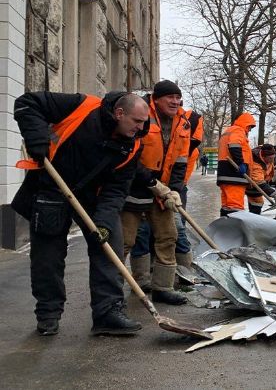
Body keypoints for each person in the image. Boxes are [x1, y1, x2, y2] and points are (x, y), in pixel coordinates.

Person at [12, 91, 148, 336]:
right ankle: (48, 314)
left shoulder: (133, 145)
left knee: (110, 245)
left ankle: (108, 313)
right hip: (52, 186)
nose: (140, 128)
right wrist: (36, 137)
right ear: (119, 113)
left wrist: (105, 222)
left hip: (93, 197)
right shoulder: (82, 107)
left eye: (143, 122)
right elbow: (27, 103)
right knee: (47, 255)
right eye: (136, 121)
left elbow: (116, 189)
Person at [120, 80, 190, 305]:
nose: (175, 101)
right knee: (126, 240)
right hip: (135, 187)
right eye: (170, 97)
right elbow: (129, 156)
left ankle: (163, 287)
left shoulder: (182, 123)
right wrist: (150, 182)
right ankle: (112, 292)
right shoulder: (141, 115)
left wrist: (174, 190)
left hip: (162, 192)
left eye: (178, 97)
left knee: (168, 236)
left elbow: (181, 161)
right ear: (156, 99)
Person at [128, 109, 204, 286]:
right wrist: (154, 184)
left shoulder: (186, 138)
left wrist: (175, 190)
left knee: (173, 232)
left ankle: (176, 278)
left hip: (171, 189)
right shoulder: (148, 121)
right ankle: (142, 279)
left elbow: (179, 167)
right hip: (142, 186)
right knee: (141, 232)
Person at [217, 113, 256, 216]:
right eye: (250, 127)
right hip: (234, 176)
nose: (250, 130)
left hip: (225, 175)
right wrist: (240, 163)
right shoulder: (238, 130)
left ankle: (224, 228)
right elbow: (234, 145)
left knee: (226, 206)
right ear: (246, 124)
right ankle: (233, 230)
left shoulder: (228, 131)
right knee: (235, 207)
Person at [246, 144, 276, 214]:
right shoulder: (255, 164)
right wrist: (274, 194)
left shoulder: (266, 151)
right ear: (263, 157)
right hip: (253, 185)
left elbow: (268, 147)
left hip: (262, 182)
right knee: (257, 203)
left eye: (274, 157)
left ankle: (254, 217)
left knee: (258, 203)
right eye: (270, 158)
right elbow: (259, 182)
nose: (272, 160)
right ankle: (254, 218)